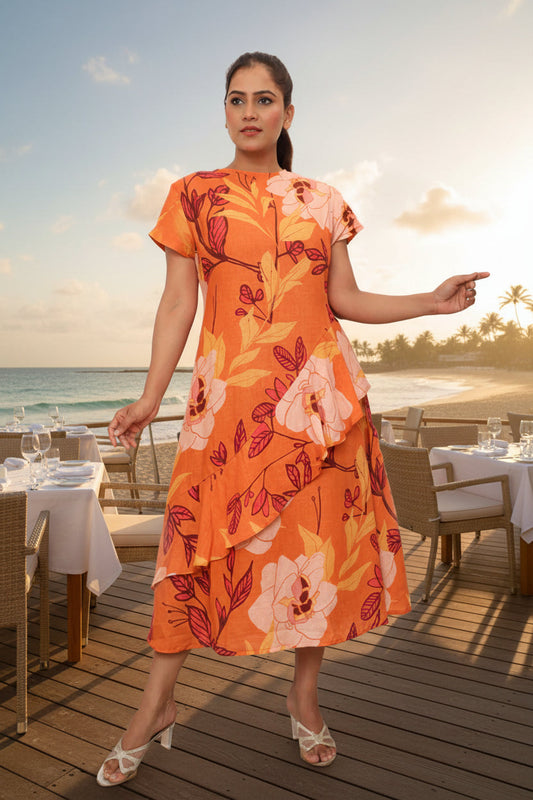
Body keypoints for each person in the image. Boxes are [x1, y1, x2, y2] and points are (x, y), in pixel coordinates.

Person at [97, 51, 488, 786]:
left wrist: (427, 304)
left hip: (318, 406)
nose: (250, 111)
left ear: (287, 112)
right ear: (223, 111)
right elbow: (179, 303)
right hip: (227, 411)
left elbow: (345, 300)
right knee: (194, 550)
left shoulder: (323, 199)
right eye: (237, 98)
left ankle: (304, 699)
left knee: (313, 554)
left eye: (265, 98)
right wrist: (150, 396)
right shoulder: (192, 195)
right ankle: (154, 708)